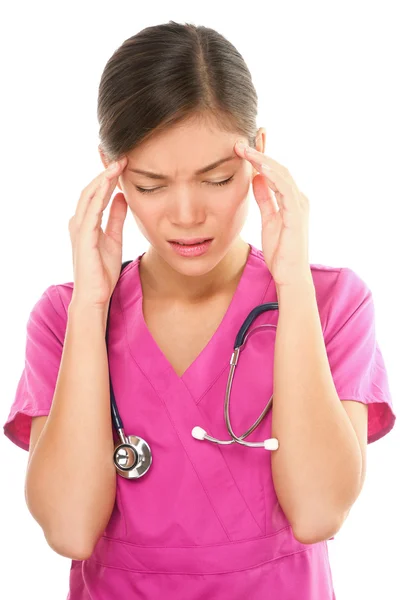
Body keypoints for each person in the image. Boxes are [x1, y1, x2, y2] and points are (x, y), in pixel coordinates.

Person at [3, 21, 396, 600]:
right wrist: (92, 305)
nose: (186, 215)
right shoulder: (65, 317)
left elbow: (317, 514)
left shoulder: (333, 303)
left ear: (258, 157)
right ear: (110, 173)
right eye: (151, 185)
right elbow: (69, 529)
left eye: (217, 178)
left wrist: (292, 282)